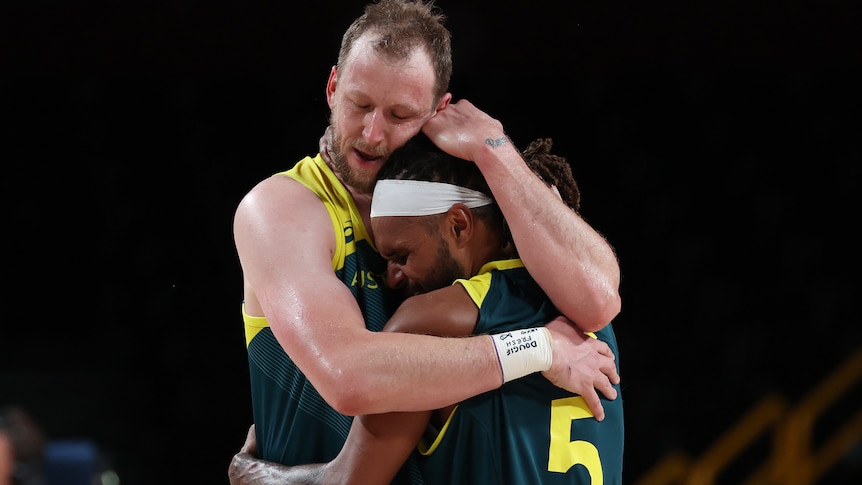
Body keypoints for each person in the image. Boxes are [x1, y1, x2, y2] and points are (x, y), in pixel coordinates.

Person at [230, 0, 621, 482]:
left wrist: (493, 147)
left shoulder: (467, 193)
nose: (372, 134)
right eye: (360, 104)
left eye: (399, 114)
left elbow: (599, 299)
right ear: (332, 88)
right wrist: (540, 348)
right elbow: (349, 377)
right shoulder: (284, 208)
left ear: (438, 112)